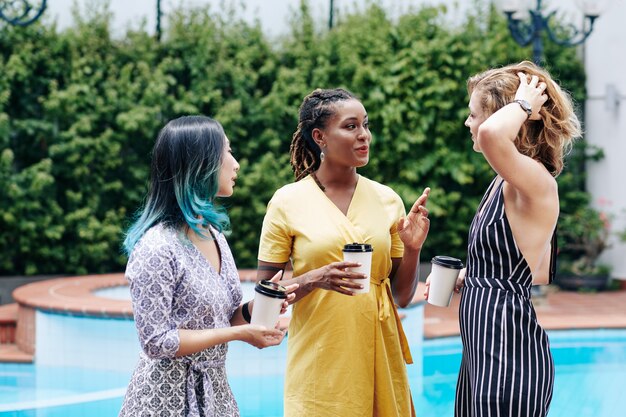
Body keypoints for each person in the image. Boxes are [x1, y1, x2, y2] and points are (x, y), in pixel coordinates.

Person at [256, 88, 431, 416]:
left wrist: (412, 248)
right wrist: (313, 279)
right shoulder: (287, 202)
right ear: (320, 136)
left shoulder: (387, 199)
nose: (364, 135)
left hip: (379, 353)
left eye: (365, 125)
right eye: (350, 127)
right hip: (321, 362)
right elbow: (265, 303)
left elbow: (402, 297)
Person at [428, 61, 580, 417]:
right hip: (485, 358)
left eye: (473, 114)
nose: (469, 124)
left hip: (509, 361)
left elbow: (492, 135)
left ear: (506, 116)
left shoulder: (538, 182)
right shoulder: (505, 181)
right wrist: (473, 277)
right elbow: (532, 271)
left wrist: (525, 102)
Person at [119, 115, 295, 417]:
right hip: (163, 403)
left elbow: (222, 317)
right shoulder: (157, 248)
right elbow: (156, 341)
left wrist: (257, 309)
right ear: (200, 164)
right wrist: (239, 335)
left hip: (215, 397)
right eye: (227, 152)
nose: (236, 163)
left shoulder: (213, 235)